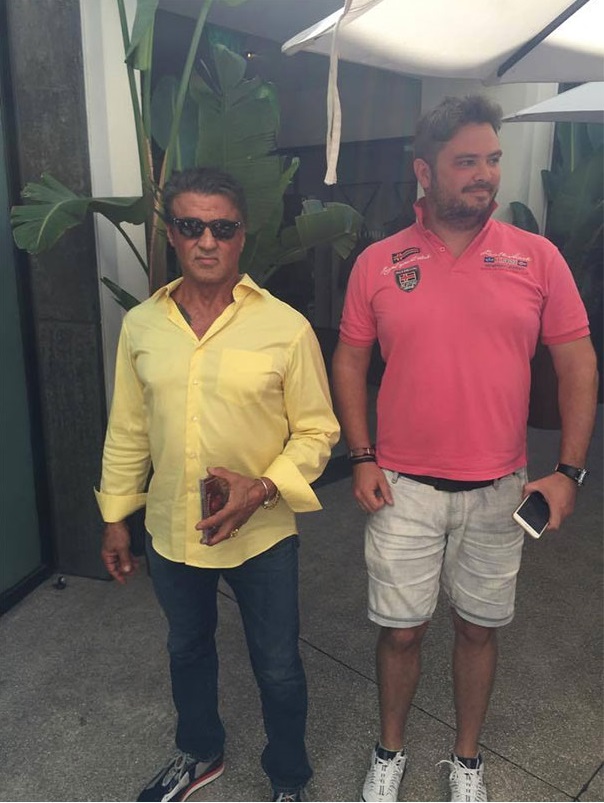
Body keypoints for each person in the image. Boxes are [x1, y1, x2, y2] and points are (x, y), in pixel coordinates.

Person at [331, 95, 598, 803]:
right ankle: (390, 750)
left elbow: (577, 360)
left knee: (478, 630)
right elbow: (350, 358)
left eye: (493, 159)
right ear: (425, 171)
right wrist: (360, 454)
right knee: (401, 633)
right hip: (401, 489)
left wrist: (569, 471)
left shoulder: (536, 257)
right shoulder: (379, 262)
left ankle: (467, 759)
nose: (485, 174)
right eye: (466, 161)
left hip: (501, 490)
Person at [95, 166, 340, 803]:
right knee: (187, 650)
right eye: (191, 225)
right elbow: (128, 429)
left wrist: (262, 488)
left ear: (242, 235)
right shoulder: (142, 326)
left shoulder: (285, 328)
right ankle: (200, 752)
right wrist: (116, 517)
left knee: (278, 667)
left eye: (222, 228)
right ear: (171, 233)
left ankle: (288, 779)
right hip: (173, 530)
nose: (207, 240)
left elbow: (317, 432)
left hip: (263, 535)